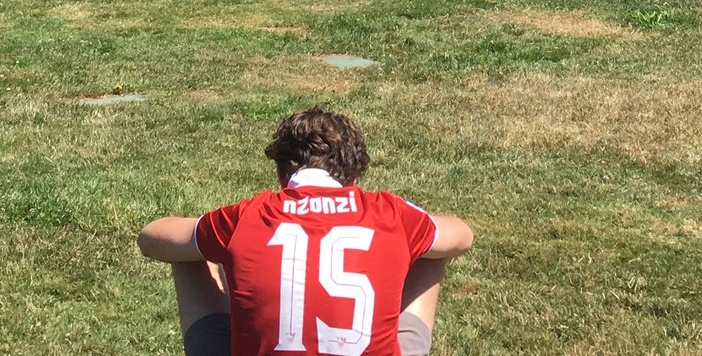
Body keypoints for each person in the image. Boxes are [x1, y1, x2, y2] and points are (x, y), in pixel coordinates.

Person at [137, 105, 473, 356]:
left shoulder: (248, 217)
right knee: (432, 247)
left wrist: (219, 249)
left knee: (189, 250)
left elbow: (152, 237)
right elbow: (462, 236)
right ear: (355, 176)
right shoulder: (392, 214)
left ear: (281, 173)